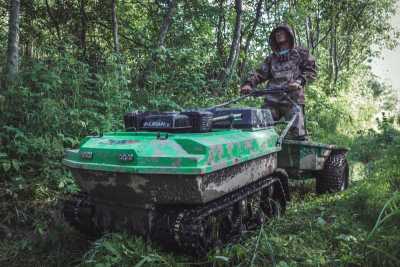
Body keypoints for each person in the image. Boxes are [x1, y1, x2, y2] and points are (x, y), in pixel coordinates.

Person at [240, 24, 317, 140]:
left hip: (292, 99)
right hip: (272, 100)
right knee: (260, 131)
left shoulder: (300, 53)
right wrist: (248, 84)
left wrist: (299, 82)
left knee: (298, 135)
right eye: (276, 32)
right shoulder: (272, 58)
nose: (278, 34)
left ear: (289, 34)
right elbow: (259, 73)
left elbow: (311, 70)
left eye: (281, 31)